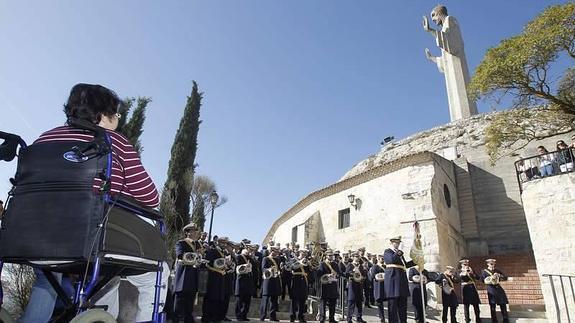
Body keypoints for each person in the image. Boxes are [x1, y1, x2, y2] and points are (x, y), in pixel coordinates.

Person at [18, 83, 160, 323]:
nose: (118, 118)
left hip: (31, 235)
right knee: (156, 273)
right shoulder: (115, 142)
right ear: (102, 115)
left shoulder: (43, 139)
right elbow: (150, 197)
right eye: (116, 113)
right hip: (87, 235)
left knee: (47, 280)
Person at [173, 223, 204, 323]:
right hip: (183, 277)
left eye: (196, 231)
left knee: (189, 306)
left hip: (193, 277)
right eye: (193, 231)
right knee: (179, 304)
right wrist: (196, 255)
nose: (196, 233)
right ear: (187, 233)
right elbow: (180, 255)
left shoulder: (197, 245)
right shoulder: (181, 243)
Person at [383, 236, 416, 323]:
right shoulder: (388, 251)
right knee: (392, 307)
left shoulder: (399, 254)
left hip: (402, 283)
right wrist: (398, 253)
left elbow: (405, 265)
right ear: (391, 243)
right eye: (395, 243)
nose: (397, 244)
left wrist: (415, 261)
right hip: (393, 283)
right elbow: (391, 260)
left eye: (398, 243)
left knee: (403, 307)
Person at [480, 259, 509, 323]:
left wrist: (499, 275)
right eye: (491, 264)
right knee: (493, 305)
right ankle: (494, 320)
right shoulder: (484, 271)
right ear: (488, 264)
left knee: (503, 303)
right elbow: (482, 280)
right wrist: (490, 279)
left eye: (493, 264)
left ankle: (505, 319)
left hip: (498, 288)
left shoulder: (497, 270)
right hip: (491, 289)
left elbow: (505, 277)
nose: (492, 265)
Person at [317, 249, 340, 323]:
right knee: (323, 304)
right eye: (329, 255)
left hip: (333, 286)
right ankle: (322, 319)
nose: (331, 257)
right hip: (325, 287)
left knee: (333, 304)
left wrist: (336, 276)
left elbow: (338, 273)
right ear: (326, 256)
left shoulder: (335, 264)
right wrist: (327, 276)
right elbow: (319, 275)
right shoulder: (322, 264)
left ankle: (331, 319)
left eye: (332, 255)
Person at [260, 245, 282, 321]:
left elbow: (279, 269)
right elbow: (263, 269)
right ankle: (262, 316)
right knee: (265, 300)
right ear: (270, 251)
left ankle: (273, 317)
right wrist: (270, 269)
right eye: (274, 251)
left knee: (274, 300)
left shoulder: (278, 260)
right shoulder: (265, 259)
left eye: (276, 251)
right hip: (268, 281)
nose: (275, 253)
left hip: (275, 281)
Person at [289, 251, 311, 323]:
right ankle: (292, 317)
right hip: (296, 281)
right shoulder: (294, 260)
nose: (304, 255)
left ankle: (301, 317)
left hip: (304, 282)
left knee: (302, 300)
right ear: (299, 254)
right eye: (302, 253)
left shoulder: (306, 262)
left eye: (304, 254)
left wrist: (309, 265)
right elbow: (292, 268)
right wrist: (300, 263)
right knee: (294, 300)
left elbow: (309, 272)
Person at [235, 245, 255, 321]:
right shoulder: (239, 257)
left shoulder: (250, 258)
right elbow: (237, 269)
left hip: (248, 282)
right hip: (241, 281)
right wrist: (245, 266)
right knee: (239, 301)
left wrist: (252, 257)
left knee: (247, 301)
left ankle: (244, 315)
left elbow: (255, 267)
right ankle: (238, 315)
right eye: (249, 250)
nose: (250, 251)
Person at [345, 253, 367, 323]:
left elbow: (364, 274)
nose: (357, 258)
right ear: (353, 257)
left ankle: (359, 317)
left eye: (358, 257)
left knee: (359, 302)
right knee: (351, 302)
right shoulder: (350, 265)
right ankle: (349, 319)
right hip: (352, 285)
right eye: (356, 257)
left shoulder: (361, 266)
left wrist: (363, 277)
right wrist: (353, 273)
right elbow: (346, 274)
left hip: (359, 285)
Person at [459, 259, 481, 323]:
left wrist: (472, 273)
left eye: (467, 264)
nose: (466, 265)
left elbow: (477, 277)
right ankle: (467, 320)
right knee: (466, 305)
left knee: (476, 304)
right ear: (461, 265)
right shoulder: (459, 271)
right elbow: (458, 279)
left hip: (472, 287)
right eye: (464, 264)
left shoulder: (471, 270)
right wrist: (463, 274)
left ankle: (478, 319)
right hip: (465, 289)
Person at [369, 254, 386, 323]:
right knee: (380, 303)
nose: (383, 260)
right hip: (378, 286)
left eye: (383, 259)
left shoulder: (385, 266)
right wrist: (379, 277)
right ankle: (382, 318)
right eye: (382, 259)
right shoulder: (375, 267)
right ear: (378, 259)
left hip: (385, 287)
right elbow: (372, 277)